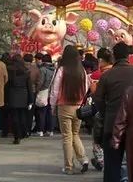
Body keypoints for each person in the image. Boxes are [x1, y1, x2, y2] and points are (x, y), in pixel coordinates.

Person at [94, 42, 133, 182]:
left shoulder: (107, 75)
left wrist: (107, 112)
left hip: (112, 124)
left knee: (112, 164)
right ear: (128, 55)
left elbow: (98, 100)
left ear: (114, 56)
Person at [50, 45, 90, 175]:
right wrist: (81, 102)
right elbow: (85, 88)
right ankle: (83, 159)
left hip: (64, 106)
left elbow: (55, 89)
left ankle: (69, 167)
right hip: (78, 106)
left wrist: (52, 105)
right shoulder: (81, 70)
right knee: (75, 134)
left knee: (67, 136)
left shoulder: (62, 70)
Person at [90, 47, 113, 171]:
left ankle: (101, 161)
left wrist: (93, 91)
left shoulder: (97, 75)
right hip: (117, 111)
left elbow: (97, 96)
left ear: (101, 60)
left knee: (98, 137)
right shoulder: (117, 72)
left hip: (101, 110)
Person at [5, 54, 33, 145]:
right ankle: (23, 133)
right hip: (23, 95)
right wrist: (30, 100)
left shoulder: (9, 70)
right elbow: (29, 87)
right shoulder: (26, 71)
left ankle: (17, 136)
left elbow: (6, 85)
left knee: (14, 117)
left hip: (12, 95)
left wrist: (5, 98)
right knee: (23, 116)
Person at [35, 54, 55, 137]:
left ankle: (40, 130)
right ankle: (49, 130)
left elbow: (40, 82)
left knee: (41, 112)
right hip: (51, 93)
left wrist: (37, 90)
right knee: (49, 112)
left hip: (43, 92)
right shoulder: (54, 70)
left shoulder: (43, 69)